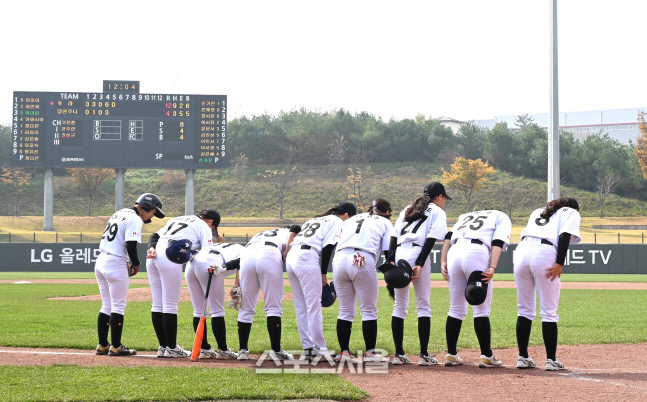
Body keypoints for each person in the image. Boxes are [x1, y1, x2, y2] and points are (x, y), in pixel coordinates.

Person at [514, 197, 581, 371]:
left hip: (521, 251)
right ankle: (551, 360)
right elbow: (565, 235)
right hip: (544, 253)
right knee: (549, 311)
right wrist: (560, 263)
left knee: (524, 309)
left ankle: (522, 357)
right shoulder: (571, 211)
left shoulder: (538, 211)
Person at [94, 193, 165, 356]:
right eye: (153, 211)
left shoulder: (119, 213)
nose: (152, 216)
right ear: (147, 207)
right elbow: (131, 244)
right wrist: (136, 262)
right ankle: (116, 346)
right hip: (115, 263)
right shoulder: (134, 218)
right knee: (118, 306)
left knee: (106, 305)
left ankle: (103, 345)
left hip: (101, 260)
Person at [440, 208, 512, 368]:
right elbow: (498, 242)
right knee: (481, 309)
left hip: (454, 252)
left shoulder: (466, 215)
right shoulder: (500, 216)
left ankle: (451, 354)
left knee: (455, 308)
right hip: (476, 252)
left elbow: (448, 236)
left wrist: (443, 260)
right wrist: (492, 267)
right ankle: (486, 355)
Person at [286, 201, 357, 360]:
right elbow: (328, 247)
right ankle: (319, 349)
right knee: (314, 307)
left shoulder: (315, 220)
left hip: (292, 257)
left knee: (301, 307)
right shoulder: (338, 221)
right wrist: (324, 274)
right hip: (306, 258)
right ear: (346, 215)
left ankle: (308, 349)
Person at [146, 209, 221, 358]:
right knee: (170, 305)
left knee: (157, 304)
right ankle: (172, 348)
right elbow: (207, 251)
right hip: (170, 256)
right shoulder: (204, 226)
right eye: (213, 229)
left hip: (153, 255)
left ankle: (163, 347)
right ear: (211, 222)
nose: (212, 231)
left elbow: (154, 235)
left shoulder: (178, 219)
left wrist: (151, 247)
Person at [390, 182, 449, 366]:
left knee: (399, 306)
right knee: (423, 305)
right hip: (417, 253)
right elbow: (431, 239)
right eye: (444, 198)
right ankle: (423, 355)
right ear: (439, 196)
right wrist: (420, 263)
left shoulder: (408, 208)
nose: (444, 201)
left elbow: (394, 235)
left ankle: (399, 354)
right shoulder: (438, 212)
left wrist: (391, 260)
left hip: (400, 253)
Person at [332, 198, 395, 362]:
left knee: (345, 311)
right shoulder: (385, 222)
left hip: (339, 259)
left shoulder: (352, 219)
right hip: (361, 258)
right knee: (368, 310)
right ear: (387, 212)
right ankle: (370, 354)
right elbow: (388, 250)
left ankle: (344, 353)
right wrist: (392, 266)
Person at [236, 225, 301, 361]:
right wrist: (286, 251)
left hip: (246, 256)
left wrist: (237, 283)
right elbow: (296, 229)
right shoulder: (288, 232)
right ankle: (276, 350)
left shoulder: (263, 233)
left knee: (246, 308)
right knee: (273, 307)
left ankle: (242, 350)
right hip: (268, 254)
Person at [185, 241, 244, 359]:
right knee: (217, 311)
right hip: (210, 264)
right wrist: (238, 286)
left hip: (191, 263)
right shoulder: (246, 250)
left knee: (198, 310)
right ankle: (223, 350)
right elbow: (241, 263)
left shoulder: (229, 246)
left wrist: (237, 285)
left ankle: (204, 349)